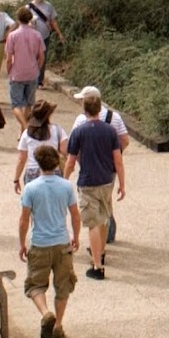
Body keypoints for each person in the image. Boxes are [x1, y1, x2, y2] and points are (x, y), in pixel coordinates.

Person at [17, 144, 81, 338]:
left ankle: (45, 313)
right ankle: (58, 325)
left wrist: (22, 243)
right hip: (62, 243)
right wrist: (76, 237)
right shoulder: (65, 186)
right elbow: (75, 215)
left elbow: (24, 220)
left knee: (35, 285)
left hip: (40, 243)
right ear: (55, 163)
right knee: (63, 286)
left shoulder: (31, 188)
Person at [64, 91, 124, 281]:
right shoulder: (110, 131)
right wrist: (122, 183)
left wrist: (64, 181)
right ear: (99, 109)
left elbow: (70, 161)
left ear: (84, 110)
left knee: (93, 223)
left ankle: (97, 266)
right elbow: (118, 160)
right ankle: (102, 251)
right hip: (107, 181)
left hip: (88, 181)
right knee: (105, 218)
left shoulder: (79, 132)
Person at [70, 88, 130, 245]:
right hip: (108, 169)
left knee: (93, 212)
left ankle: (98, 247)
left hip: (89, 170)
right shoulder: (113, 117)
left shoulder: (81, 122)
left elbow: (73, 150)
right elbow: (124, 140)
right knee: (106, 201)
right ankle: (108, 235)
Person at [12, 100, 66, 197]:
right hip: (53, 170)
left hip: (32, 171)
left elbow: (21, 159)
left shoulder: (27, 133)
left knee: (34, 204)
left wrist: (16, 179)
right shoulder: (57, 130)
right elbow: (65, 151)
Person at [5, 6, 46, 128]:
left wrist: (9, 70)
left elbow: (8, 57)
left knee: (16, 105)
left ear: (18, 19)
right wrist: (37, 68)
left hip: (17, 73)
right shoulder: (37, 35)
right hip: (32, 72)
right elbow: (41, 56)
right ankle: (23, 129)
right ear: (29, 19)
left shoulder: (12, 35)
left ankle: (24, 126)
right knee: (29, 103)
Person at [25, 0, 63, 84]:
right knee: (32, 57)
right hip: (32, 37)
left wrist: (59, 33)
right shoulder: (28, 7)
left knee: (43, 58)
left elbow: (53, 21)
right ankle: (31, 78)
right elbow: (23, 21)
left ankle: (39, 81)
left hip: (44, 37)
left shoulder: (48, 6)